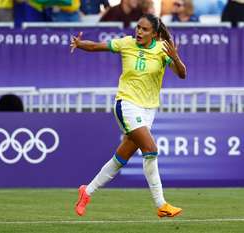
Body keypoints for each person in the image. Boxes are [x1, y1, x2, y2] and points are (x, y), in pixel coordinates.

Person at [70, 13, 187, 218]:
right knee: (150, 149)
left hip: (149, 109)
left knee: (120, 159)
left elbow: (182, 74)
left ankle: (86, 192)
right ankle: (161, 204)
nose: (139, 32)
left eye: (144, 29)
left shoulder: (162, 50)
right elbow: (96, 46)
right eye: (138, 28)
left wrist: (175, 57)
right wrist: (80, 44)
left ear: (154, 33)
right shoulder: (126, 44)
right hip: (126, 103)